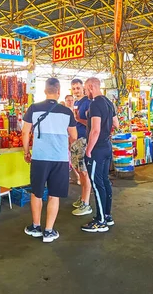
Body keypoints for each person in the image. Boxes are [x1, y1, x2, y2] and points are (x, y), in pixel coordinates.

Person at [22, 78, 77, 243]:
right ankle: (49, 231)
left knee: (37, 193)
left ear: (45, 91)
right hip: (59, 159)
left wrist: (26, 151)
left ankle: (36, 227)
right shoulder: (67, 112)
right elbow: (74, 136)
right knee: (54, 195)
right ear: (59, 91)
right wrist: (64, 145)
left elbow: (25, 133)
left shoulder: (34, 108)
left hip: (39, 157)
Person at [81, 77, 118, 233]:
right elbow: (116, 124)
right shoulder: (109, 102)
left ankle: (101, 221)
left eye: (84, 89)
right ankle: (107, 216)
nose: (85, 92)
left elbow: (95, 130)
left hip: (97, 149)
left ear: (91, 87)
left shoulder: (95, 103)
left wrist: (88, 150)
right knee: (104, 181)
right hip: (107, 147)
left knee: (97, 185)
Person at [70, 79, 93, 217]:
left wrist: (77, 119)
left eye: (78, 88)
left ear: (83, 88)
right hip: (76, 140)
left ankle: (86, 203)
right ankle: (83, 197)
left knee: (84, 172)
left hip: (84, 140)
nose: (76, 91)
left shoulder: (87, 103)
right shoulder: (76, 103)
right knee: (80, 171)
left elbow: (92, 123)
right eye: (73, 88)